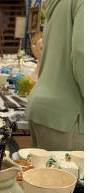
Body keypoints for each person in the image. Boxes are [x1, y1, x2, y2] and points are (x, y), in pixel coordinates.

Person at [25, 0, 84, 151]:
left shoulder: (60, 3)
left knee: (40, 173)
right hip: (68, 117)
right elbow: (82, 53)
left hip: (42, 108)